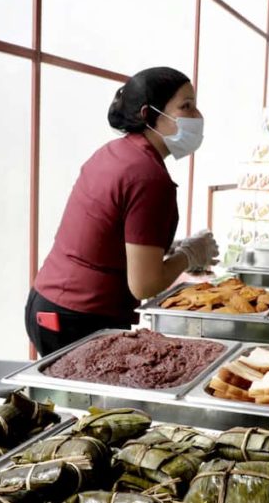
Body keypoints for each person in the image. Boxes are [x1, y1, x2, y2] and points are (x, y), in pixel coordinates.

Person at [25, 66, 219, 356]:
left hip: (48, 304)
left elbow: (109, 232)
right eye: (186, 106)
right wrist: (190, 255)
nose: (198, 117)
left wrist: (173, 250)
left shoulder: (117, 152)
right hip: (78, 318)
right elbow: (145, 284)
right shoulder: (148, 176)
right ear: (147, 114)